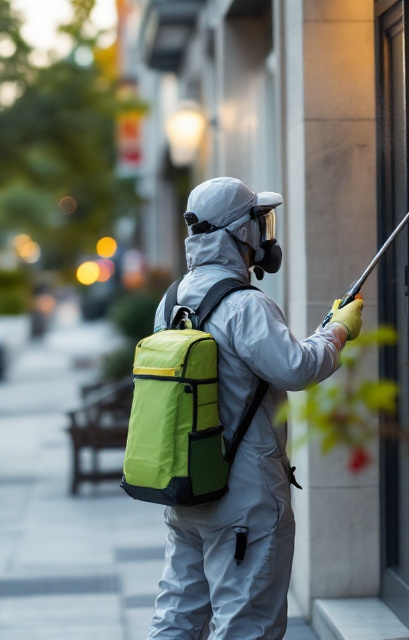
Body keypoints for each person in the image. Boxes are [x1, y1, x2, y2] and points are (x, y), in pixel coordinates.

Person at [147, 177, 364, 640]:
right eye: (259, 221)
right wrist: (338, 330)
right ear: (240, 233)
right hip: (244, 500)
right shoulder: (245, 305)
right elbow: (297, 369)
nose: (267, 234)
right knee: (246, 626)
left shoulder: (171, 303)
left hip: (188, 489)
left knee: (177, 617)